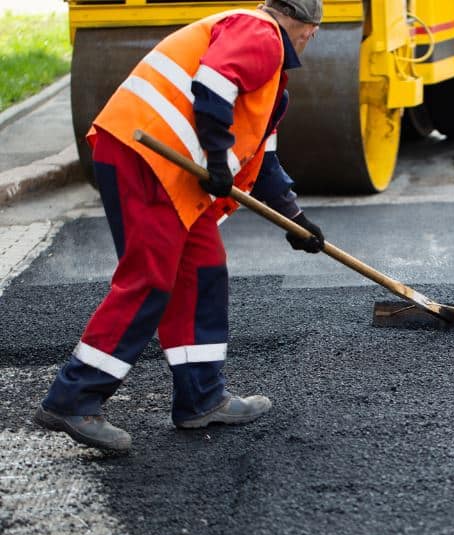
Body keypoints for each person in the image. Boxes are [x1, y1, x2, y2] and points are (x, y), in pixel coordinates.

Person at [33, 0, 327, 452]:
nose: (313, 38)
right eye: (314, 28)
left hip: (176, 175)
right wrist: (213, 156)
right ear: (301, 22)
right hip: (148, 158)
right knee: (150, 280)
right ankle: (73, 398)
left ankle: (201, 399)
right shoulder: (261, 31)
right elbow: (211, 82)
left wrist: (296, 221)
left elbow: (264, 163)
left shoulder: (272, 85)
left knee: (203, 272)